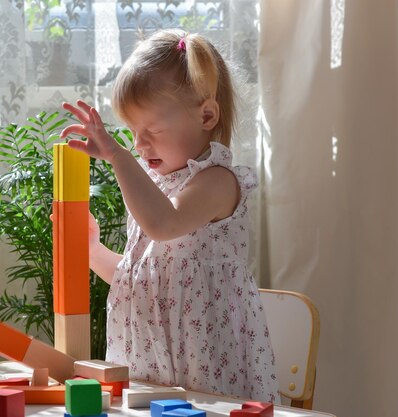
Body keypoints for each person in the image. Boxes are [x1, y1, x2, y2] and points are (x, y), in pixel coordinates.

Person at [60, 29, 279, 402]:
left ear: (207, 115)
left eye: (153, 130)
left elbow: (164, 225)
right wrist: (94, 252)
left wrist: (117, 157)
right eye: (132, 132)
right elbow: (142, 276)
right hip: (151, 362)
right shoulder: (156, 189)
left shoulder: (217, 182)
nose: (139, 144)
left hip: (205, 364)